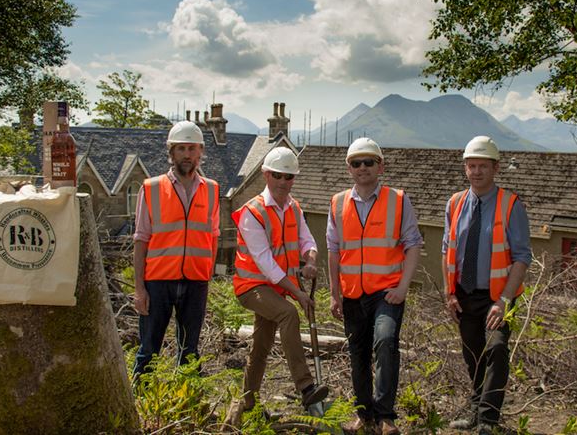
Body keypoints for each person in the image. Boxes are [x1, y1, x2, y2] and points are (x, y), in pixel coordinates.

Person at [224, 147, 329, 428]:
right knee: (288, 314)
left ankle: (247, 403)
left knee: (261, 345)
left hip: (276, 288)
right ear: (266, 175)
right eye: (278, 175)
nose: (283, 181)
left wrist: (310, 260)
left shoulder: (294, 208)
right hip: (252, 287)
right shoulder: (252, 213)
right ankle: (306, 387)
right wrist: (298, 294)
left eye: (289, 176)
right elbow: (266, 263)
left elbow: (308, 241)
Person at [327, 138, 423, 435]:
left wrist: (404, 286)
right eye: (356, 163)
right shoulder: (338, 202)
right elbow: (333, 250)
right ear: (349, 168)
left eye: (369, 162)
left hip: (387, 292)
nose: (363, 168)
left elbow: (413, 244)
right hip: (353, 292)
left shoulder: (397, 199)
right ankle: (363, 415)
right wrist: (334, 294)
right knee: (357, 352)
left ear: (380, 166)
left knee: (385, 342)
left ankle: (385, 416)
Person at [443, 136, 532, 434]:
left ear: (496, 167)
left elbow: (521, 257)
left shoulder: (510, 204)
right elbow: (447, 250)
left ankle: (488, 420)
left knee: (495, 349)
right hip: (464, 294)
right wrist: (449, 293)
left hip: (498, 296)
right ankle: (475, 409)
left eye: (482, 165)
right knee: (473, 353)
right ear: (465, 168)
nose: (476, 171)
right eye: (471, 165)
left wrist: (505, 300)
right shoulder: (455, 203)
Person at [132, 121, 220, 378]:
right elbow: (141, 240)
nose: (187, 154)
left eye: (192, 148)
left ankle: (187, 406)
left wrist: (207, 275)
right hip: (158, 282)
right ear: (171, 152)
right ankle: (143, 406)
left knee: (190, 353)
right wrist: (140, 288)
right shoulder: (152, 188)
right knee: (148, 351)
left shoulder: (212, 190)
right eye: (180, 148)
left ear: (200, 151)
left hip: (195, 282)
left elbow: (213, 237)